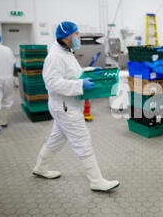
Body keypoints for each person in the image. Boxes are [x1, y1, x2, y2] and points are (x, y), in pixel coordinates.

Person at [32, 21, 119, 192]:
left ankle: (40, 168)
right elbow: (52, 83)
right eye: (77, 34)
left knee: (55, 140)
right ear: (66, 38)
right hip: (65, 106)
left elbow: (70, 73)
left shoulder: (66, 52)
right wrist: (80, 85)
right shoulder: (55, 56)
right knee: (83, 141)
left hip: (66, 105)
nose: (79, 37)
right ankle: (96, 181)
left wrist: (88, 72)